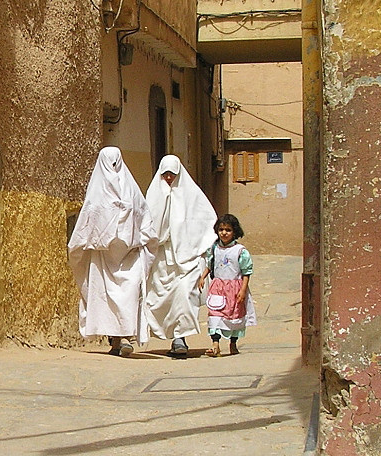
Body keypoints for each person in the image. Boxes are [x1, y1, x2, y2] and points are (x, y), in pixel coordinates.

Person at [67, 146, 159, 357]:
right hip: (118, 255)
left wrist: (80, 246)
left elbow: (86, 225)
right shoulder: (132, 193)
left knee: (119, 296)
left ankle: (125, 338)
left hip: (111, 255)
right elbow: (146, 223)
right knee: (119, 297)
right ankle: (118, 341)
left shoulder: (99, 194)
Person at [144, 154, 217, 356]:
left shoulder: (192, 196)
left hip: (188, 258)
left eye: (172, 174)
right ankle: (172, 336)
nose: (168, 178)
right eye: (165, 174)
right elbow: (147, 226)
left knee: (185, 296)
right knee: (162, 299)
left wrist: (197, 247)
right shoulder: (153, 196)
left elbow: (206, 222)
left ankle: (180, 339)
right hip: (162, 259)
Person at [198, 213, 257, 357]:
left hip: (234, 289)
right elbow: (210, 264)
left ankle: (233, 342)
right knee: (215, 314)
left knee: (234, 316)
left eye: (228, 230)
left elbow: (246, 272)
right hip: (218, 287)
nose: (224, 233)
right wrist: (203, 277)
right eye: (221, 230)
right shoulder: (214, 248)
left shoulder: (240, 251)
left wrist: (243, 290)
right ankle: (215, 344)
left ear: (235, 231)